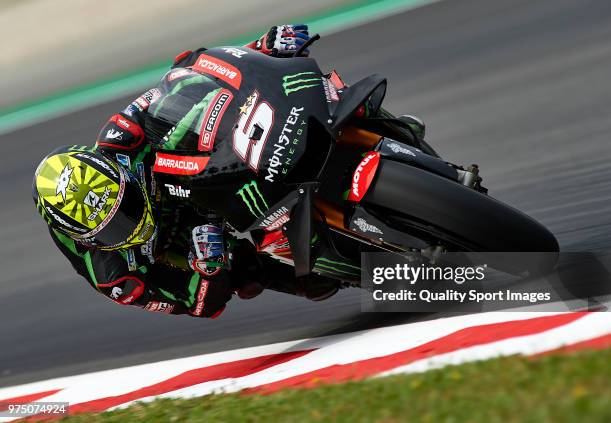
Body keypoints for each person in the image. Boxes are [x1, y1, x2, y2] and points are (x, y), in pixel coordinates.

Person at [32, 24, 363, 319]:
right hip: (178, 241)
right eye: (112, 230)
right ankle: (382, 280)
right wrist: (210, 270)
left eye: (127, 205)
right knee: (259, 274)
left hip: (186, 176)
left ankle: (360, 124)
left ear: (119, 172)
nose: (130, 224)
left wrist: (259, 48)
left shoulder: (120, 137)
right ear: (89, 241)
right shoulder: (115, 277)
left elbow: (185, 75)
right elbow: (200, 305)